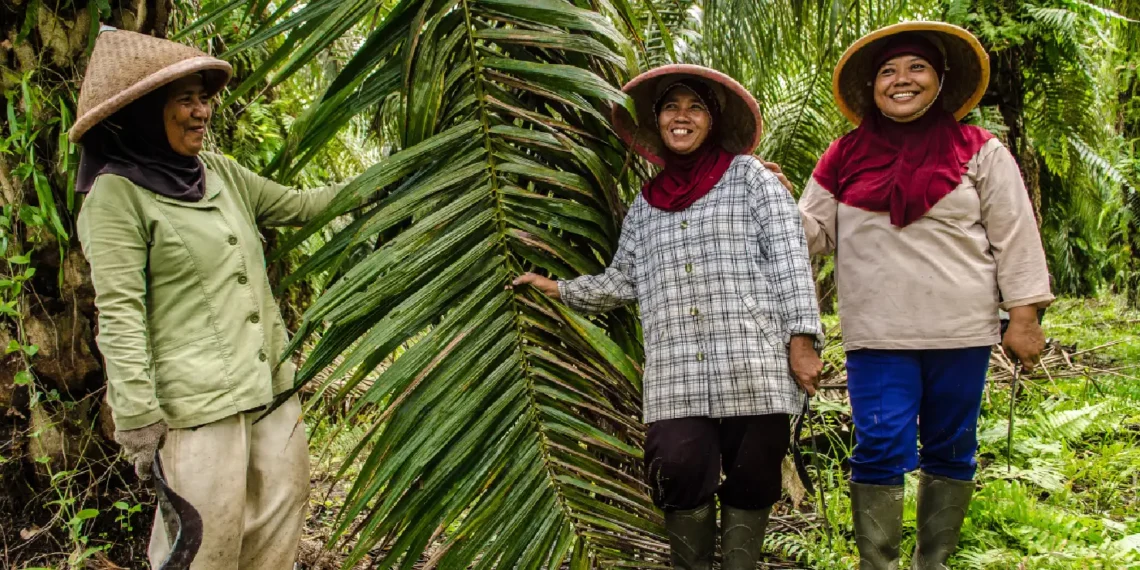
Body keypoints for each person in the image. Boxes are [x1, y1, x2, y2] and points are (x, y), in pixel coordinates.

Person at [513, 64, 824, 570]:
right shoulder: (644, 206)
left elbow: (790, 257)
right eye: (671, 108)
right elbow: (624, 280)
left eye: (695, 107)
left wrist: (803, 340)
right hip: (676, 372)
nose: (682, 117)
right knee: (676, 468)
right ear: (656, 121)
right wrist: (560, 289)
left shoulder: (750, 178)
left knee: (753, 476)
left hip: (753, 362)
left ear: (712, 120)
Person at [71, 28, 350, 569]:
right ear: (144, 112)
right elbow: (121, 312)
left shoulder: (218, 172)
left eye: (204, 98)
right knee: (205, 547)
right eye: (186, 100)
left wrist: (392, 177)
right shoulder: (116, 195)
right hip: (195, 410)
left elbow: (301, 206)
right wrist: (136, 415)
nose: (202, 112)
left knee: (277, 524)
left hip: (269, 389)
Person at [797, 22, 1053, 570]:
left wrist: (1024, 316)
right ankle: (879, 564)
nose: (902, 80)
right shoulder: (842, 155)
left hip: (961, 330)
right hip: (877, 334)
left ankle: (931, 563)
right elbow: (811, 234)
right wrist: (773, 200)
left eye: (917, 68)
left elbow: (1014, 234)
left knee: (952, 446)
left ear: (940, 81)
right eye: (888, 72)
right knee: (879, 445)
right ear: (873, 88)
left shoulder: (980, 150)